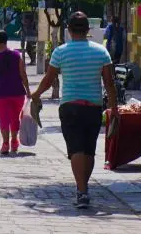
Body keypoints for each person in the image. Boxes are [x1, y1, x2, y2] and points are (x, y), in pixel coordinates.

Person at [31, 11, 117, 209]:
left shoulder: (60, 52)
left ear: (68, 30)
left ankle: (82, 191)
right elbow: (109, 83)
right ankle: (83, 188)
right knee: (89, 149)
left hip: (70, 106)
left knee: (76, 148)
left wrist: (36, 95)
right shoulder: (101, 52)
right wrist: (114, 109)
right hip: (93, 106)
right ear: (88, 30)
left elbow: (49, 79)